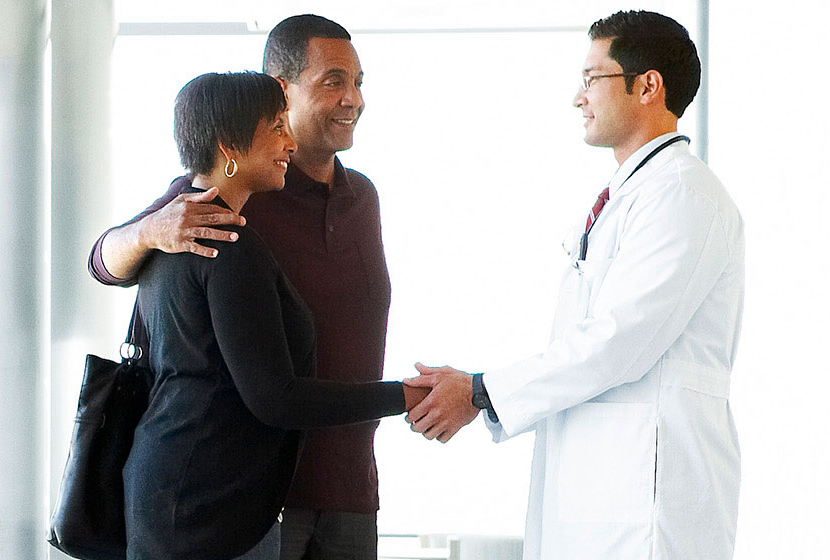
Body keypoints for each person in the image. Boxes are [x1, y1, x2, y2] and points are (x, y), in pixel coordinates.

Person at [407, 10, 744, 560]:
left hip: (647, 498)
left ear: (648, 86)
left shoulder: (684, 195)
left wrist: (480, 389)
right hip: (604, 481)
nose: (578, 96)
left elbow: (618, 340)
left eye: (592, 78)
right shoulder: (632, 193)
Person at [88, 15, 405, 559]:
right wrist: (148, 230)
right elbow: (102, 262)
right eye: (333, 81)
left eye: (358, 82)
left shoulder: (364, 198)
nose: (352, 98)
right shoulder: (225, 198)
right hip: (253, 491)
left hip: (350, 485)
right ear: (281, 92)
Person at [123, 71, 468, 560]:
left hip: (177, 489)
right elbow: (277, 398)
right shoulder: (225, 247)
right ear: (229, 148)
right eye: (276, 127)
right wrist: (405, 395)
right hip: (205, 505)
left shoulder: (171, 234)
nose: (290, 141)